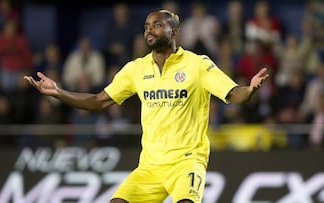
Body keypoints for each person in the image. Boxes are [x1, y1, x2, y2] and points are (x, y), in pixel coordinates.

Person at [24, 9, 269, 203]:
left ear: (174, 33)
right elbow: (99, 101)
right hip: (150, 166)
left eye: (157, 25)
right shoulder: (136, 69)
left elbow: (233, 94)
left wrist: (249, 90)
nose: (150, 30)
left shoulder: (197, 65)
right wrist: (57, 91)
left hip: (186, 161)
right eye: (147, 27)